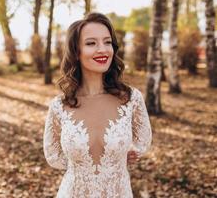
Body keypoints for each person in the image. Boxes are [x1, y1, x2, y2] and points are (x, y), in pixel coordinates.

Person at [43, 12, 152, 198]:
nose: (102, 49)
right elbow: (53, 156)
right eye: (91, 43)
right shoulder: (59, 106)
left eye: (107, 42)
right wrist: (80, 164)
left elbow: (142, 142)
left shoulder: (131, 99)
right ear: (76, 52)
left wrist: (118, 155)